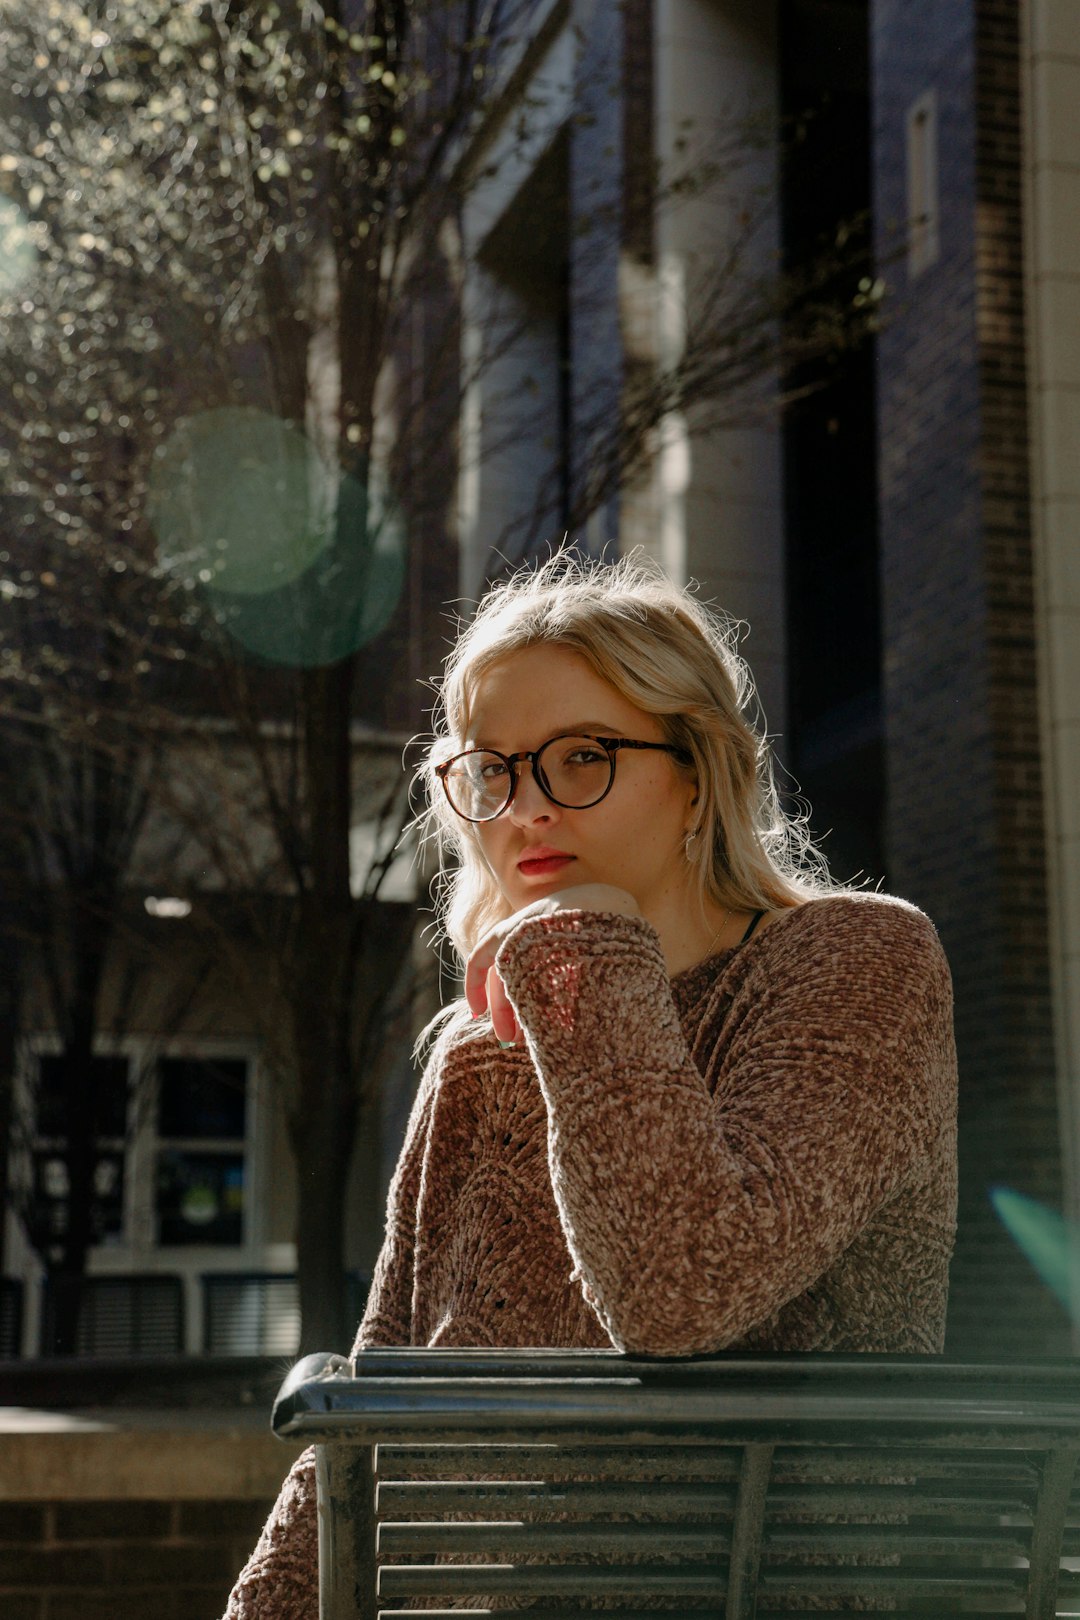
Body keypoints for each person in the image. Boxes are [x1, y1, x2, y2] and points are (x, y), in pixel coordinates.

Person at [223, 552, 958, 1618]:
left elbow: (684, 1286)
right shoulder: (479, 1053)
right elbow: (375, 1401)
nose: (524, 810)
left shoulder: (856, 962)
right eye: (490, 770)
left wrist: (585, 953)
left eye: (580, 758)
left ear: (699, 772)